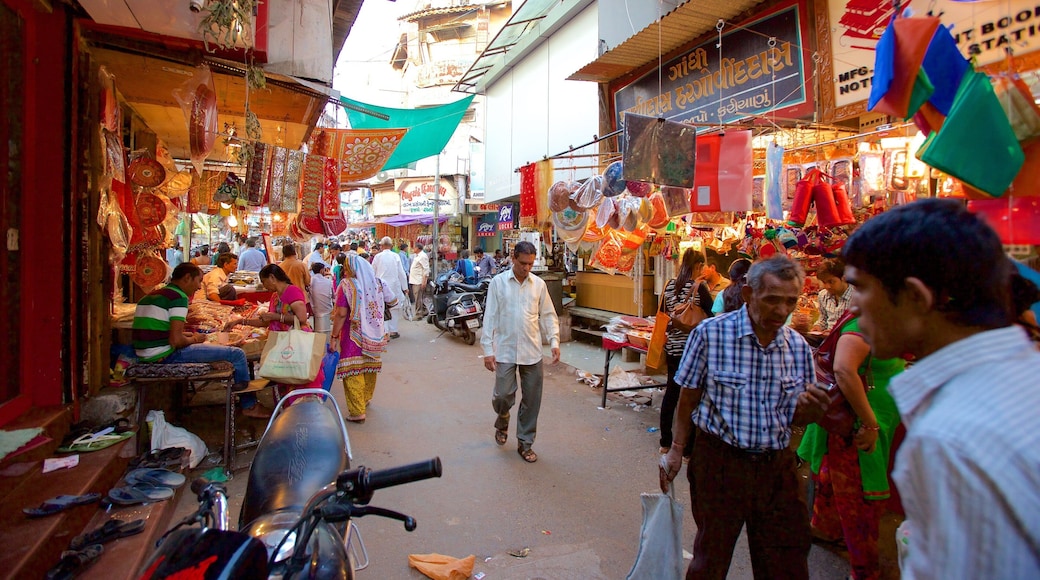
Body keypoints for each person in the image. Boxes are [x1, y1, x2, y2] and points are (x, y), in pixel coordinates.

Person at [841, 198, 1040, 579]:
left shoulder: (950, 436)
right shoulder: (1020, 373)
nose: (852, 307)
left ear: (917, 298)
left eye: (861, 288)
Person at [659, 256, 829, 580]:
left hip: (775, 468)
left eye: (790, 302)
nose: (782, 310)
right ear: (749, 294)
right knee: (711, 558)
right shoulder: (710, 334)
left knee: (784, 564)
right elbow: (687, 398)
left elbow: (796, 417)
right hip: (720, 465)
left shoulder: (798, 347)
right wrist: (676, 450)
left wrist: (811, 412)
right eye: (772, 300)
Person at [797, 314, 905, 580]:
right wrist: (869, 424)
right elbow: (844, 370)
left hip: (866, 422)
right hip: (856, 428)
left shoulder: (877, 317)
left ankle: (835, 536)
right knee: (859, 501)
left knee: (845, 495)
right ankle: (864, 570)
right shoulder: (862, 322)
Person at [132, 263, 269, 418]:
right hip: (164, 355)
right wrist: (196, 338)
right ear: (187, 278)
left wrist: (190, 338)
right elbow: (176, 341)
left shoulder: (149, 296)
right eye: (198, 281)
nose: (198, 287)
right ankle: (249, 406)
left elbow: (168, 332)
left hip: (145, 353)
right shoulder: (178, 298)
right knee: (237, 354)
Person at [482, 241, 560, 464]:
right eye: (523, 263)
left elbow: (547, 314)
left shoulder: (539, 285)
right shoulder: (498, 283)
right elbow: (490, 317)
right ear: (513, 259)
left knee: (532, 400)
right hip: (505, 349)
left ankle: (525, 443)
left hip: (532, 350)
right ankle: (503, 417)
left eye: (530, 264)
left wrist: (554, 340)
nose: (527, 268)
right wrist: (488, 349)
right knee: (503, 395)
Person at [659, 249, 714, 457]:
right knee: (690, 396)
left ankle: (665, 441)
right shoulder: (699, 287)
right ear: (698, 266)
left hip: (672, 346)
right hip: (692, 350)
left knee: (671, 393)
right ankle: (688, 449)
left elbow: (664, 313)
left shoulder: (670, 286)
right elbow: (711, 315)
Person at [330, 255, 390, 423]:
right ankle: (365, 399)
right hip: (374, 333)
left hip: (353, 333)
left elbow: (341, 313)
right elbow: (392, 299)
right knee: (369, 366)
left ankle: (357, 411)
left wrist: (334, 336)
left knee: (352, 369)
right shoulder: (377, 282)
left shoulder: (347, 285)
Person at [372, 237, 408, 339]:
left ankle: (385, 332)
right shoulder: (395, 256)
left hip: (380, 287)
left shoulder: (378, 257)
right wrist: (405, 287)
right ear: (391, 246)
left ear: (382, 246)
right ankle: (393, 331)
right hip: (394, 286)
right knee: (394, 308)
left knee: (382, 308)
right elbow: (401, 273)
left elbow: (372, 272)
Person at [812, 257, 853, 332]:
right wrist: (818, 327)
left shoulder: (857, 297)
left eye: (831, 282)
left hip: (847, 337)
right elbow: (823, 319)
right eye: (824, 282)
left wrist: (834, 333)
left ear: (843, 278)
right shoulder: (823, 295)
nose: (827, 286)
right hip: (826, 337)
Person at [309, 263, 335, 333]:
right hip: (327, 310)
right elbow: (334, 296)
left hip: (314, 310)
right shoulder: (329, 282)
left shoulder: (310, 281)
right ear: (321, 271)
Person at [409, 245, 431, 319]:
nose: (413, 248)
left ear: (418, 248)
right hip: (415, 280)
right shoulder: (418, 256)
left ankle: (418, 314)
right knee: (419, 297)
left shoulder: (422, 256)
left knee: (418, 298)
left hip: (418, 280)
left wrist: (424, 281)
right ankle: (424, 310)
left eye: (414, 247)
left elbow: (426, 269)